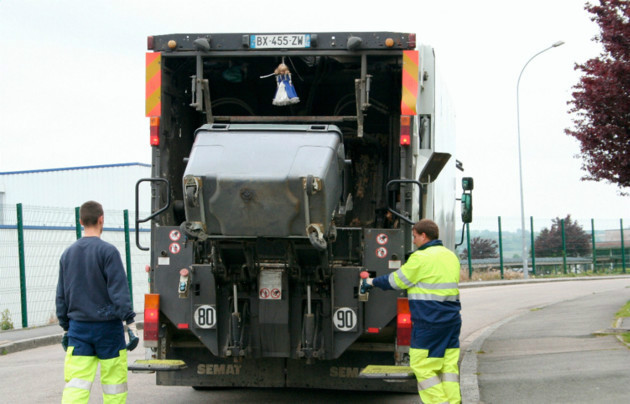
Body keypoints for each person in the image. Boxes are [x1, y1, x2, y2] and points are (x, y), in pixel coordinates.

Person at [365, 219, 461, 404]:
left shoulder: (420, 258)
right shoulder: (450, 256)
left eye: (415, 236)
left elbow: (396, 281)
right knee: (448, 367)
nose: (414, 240)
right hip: (452, 321)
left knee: (421, 366)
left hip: (429, 322)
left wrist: (372, 282)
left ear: (424, 236)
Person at [56, 200, 138, 404]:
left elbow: (61, 296)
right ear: (102, 219)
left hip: (79, 329)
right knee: (114, 385)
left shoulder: (68, 254)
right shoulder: (108, 252)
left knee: (76, 384)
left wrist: (66, 327)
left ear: (81, 221)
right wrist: (130, 323)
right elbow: (118, 291)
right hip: (108, 329)